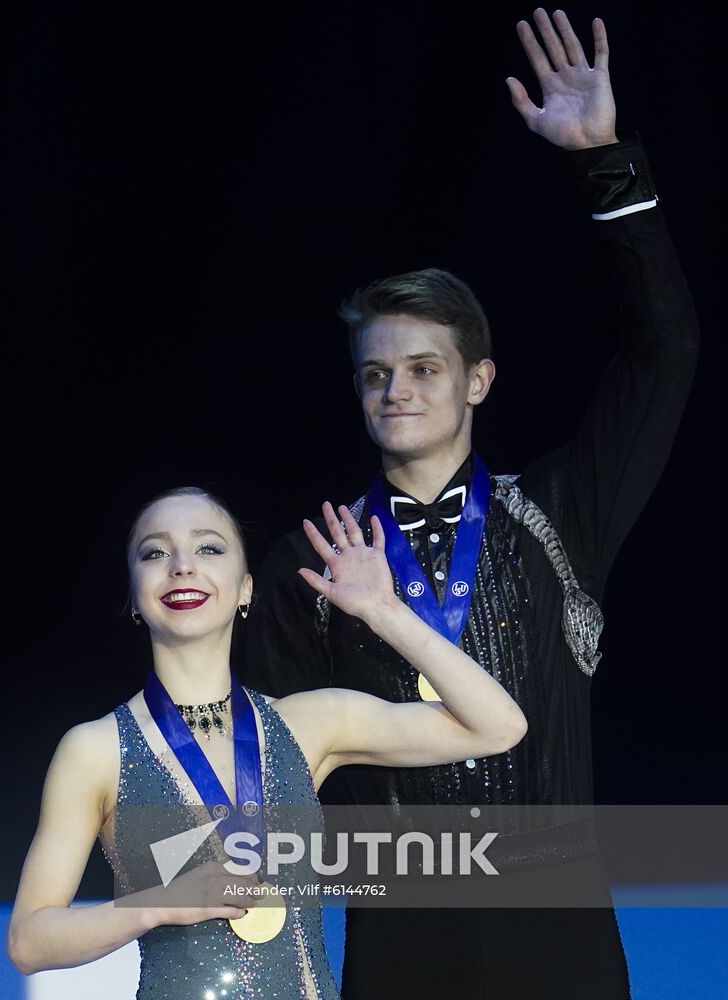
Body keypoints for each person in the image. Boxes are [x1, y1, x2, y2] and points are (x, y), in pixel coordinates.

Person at [241, 9, 700, 1000]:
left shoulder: (561, 513)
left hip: (565, 940)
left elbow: (665, 356)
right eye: (375, 375)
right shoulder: (309, 564)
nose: (397, 391)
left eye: (424, 367)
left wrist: (606, 164)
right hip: (401, 948)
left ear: (478, 381)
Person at [7, 487, 526, 999]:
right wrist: (162, 903)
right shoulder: (95, 750)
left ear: (245, 589)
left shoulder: (310, 724)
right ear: (134, 597)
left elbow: (497, 726)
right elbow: (29, 941)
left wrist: (384, 612)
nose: (182, 565)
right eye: (155, 552)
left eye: (208, 547)